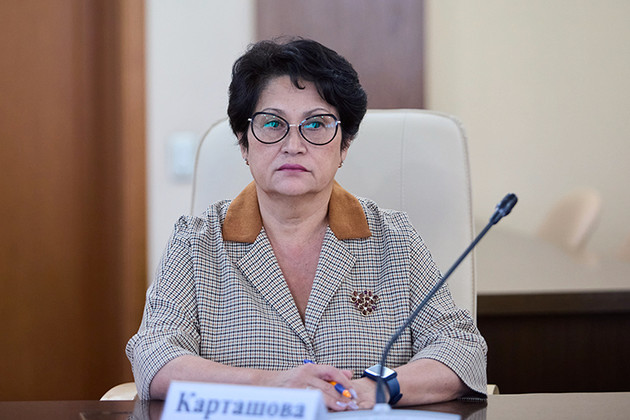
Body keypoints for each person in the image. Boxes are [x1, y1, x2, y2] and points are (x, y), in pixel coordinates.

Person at [126, 38, 487, 411]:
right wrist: (274, 385)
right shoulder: (196, 242)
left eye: (316, 124)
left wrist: (373, 389)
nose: (293, 145)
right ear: (244, 143)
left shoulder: (393, 239)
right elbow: (154, 355)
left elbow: (462, 349)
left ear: (344, 145)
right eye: (272, 123)